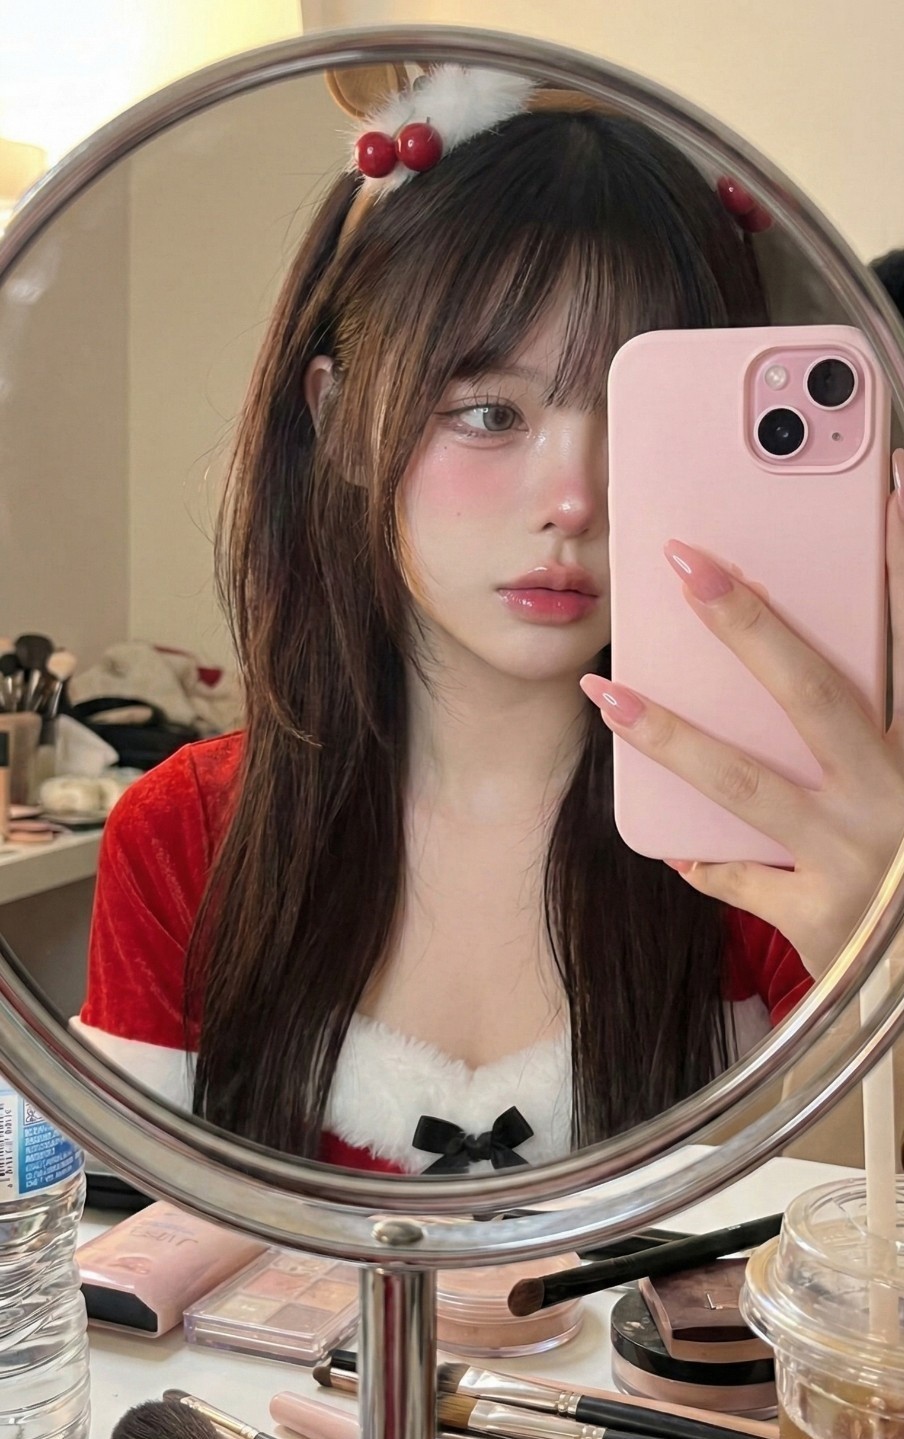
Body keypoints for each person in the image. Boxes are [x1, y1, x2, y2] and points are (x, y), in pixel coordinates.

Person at [73, 66, 904, 1175]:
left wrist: (876, 967)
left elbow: (839, 1252)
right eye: (489, 412)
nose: (576, 499)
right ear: (341, 421)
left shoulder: (777, 836)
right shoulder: (187, 834)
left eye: (637, 424)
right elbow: (130, 1247)